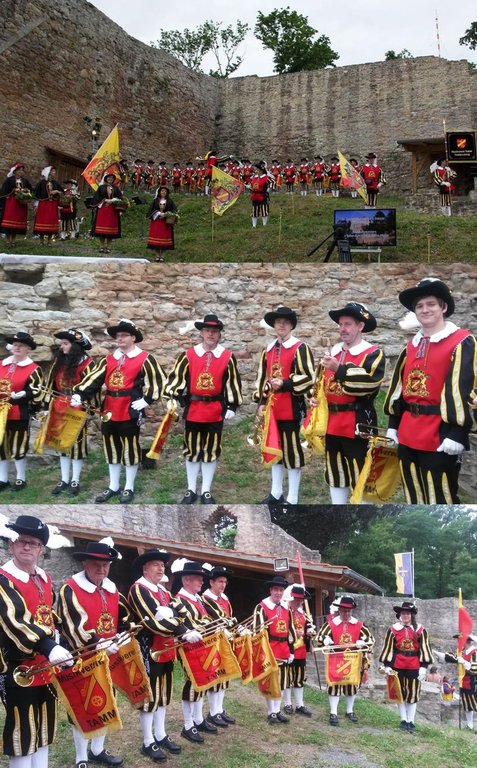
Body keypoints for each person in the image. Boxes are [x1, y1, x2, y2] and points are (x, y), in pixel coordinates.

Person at [384, 277, 476, 504]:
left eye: (431, 304)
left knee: (440, 497)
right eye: (419, 306)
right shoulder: (412, 345)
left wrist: (457, 433)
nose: (425, 310)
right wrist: (393, 425)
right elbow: (400, 387)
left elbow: (465, 388)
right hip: (408, 431)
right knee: (412, 492)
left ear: (443, 307)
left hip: (440, 434)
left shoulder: (462, 341)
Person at [0, 514, 73, 768]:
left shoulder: (44, 577)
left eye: (33, 542)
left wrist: (62, 644)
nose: (26, 546)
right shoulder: (3, 579)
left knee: (44, 727)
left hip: (46, 666)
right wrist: (50, 647)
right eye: (21, 541)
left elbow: (48, 614)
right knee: (23, 731)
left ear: (41, 548)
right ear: (12, 544)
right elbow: (15, 621)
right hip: (19, 669)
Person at [72, 319, 166, 504]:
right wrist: (80, 394)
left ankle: (129, 487)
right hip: (109, 409)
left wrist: (146, 400)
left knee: (130, 448)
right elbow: (94, 379)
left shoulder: (145, 358)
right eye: (118, 335)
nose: (120, 338)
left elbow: (159, 381)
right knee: (111, 447)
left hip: (130, 409)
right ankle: (113, 486)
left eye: (124, 335)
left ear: (133, 337)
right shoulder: (109, 359)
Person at [58, 540, 131, 768]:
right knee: (82, 706)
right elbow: (72, 626)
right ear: (85, 564)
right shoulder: (69, 589)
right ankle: (81, 756)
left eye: (105, 565)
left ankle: (98, 749)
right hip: (82, 657)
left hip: (108, 656)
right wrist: (98, 642)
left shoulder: (112, 588)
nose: (102, 569)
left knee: (106, 702)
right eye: (96, 564)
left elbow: (124, 617)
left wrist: (123, 635)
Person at [166, 313, 242, 505]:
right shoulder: (189, 355)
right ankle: (191, 489)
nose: (211, 334)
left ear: (219, 334)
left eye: (214, 331)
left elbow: (233, 382)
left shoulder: (227, 356)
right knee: (192, 450)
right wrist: (174, 398)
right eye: (207, 330)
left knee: (211, 450)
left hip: (215, 409)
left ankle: (206, 490)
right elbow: (176, 378)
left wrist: (232, 405)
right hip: (194, 409)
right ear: (201, 332)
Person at [128, 548, 195, 760]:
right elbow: (152, 621)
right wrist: (183, 631)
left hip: (166, 649)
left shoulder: (163, 592)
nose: (160, 568)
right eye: (156, 564)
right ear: (145, 568)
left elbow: (181, 611)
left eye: (162, 565)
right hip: (148, 650)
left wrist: (172, 616)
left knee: (163, 695)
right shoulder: (139, 589)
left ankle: (161, 734)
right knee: (150, 696)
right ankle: (148, 741)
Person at [315, 301, 385, 505]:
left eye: (347, 324)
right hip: (332, 423)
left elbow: (368, 384)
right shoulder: (334, 353)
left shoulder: (373, 353)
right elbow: (322, 382)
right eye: (340, 324)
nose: (342, 329)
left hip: (358, 423)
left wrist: (340, 369)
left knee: (361, 473)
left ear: (360, 326)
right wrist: (316, 397)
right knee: (335, 472)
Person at [254, 306, 314, 506]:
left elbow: (308, 377)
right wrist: (261, 403)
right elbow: (262, 378)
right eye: (278, 322)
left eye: (285, 322)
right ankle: (276, 493)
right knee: (275, 447)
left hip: (291, 407)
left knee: (292, 451)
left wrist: (286, 383)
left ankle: (293, 497)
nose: (281, 325)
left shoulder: (300, 348)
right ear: (274, 325)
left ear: (291, 326)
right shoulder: (269, 349)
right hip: (272, 409)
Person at [170, 559, 217, 744]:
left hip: (202, 645)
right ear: (186, 580)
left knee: (202, 682)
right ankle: (188, 725)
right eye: (198, 579)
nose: (202, 582)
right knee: (192, 684)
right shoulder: (179, 600)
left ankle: (198, 719)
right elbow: (185, 624)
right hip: (189, 647)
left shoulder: (197, 599)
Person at [44, 328, 95, 496]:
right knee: (61, 444)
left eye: (65, 344)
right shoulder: (59, 363)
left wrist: (87, 405)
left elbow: (93, 388)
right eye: (62, 343)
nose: (61, 347)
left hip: (77, 407)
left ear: (75, 347)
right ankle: (64, 479)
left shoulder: (88, 364)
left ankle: (75, 480)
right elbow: (51, 386)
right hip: (59, 405)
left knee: (76, 444)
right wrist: (47, 406)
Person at [315, 595, 374, 726]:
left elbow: (371, 640)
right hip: (335, 659)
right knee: (334, 686)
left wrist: (362, 643)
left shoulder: (359, 625)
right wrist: (325, 641)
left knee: (351, 686)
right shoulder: (330, 624)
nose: (346, 613)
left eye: (348, 611)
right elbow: (319, 639)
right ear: (339, 610)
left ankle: (349, 711)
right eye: (343, 610)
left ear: (352, 611)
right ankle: (333, 712)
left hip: (353, 660)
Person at [379, 600, 433, 732]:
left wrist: (423, 667)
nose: (405, 615)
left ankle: (411, 721)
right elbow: (388, 648)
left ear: (412, 615)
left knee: (413, 693)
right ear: (399, 615)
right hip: (397, 665)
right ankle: (403, 720)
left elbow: (425, 648)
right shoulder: (392, 630)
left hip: (414, 665)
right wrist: (387, 665)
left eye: (407, 613)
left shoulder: (420, 630)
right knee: (400, 692)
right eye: (403, 613)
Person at [0, 331, 42, 492]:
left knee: (18, 445)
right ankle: (3, 479)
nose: (18, 348)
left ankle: (20, 479)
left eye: (22, 345)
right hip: (0, 411)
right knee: (1, 445)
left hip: (19, 411)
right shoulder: (1, 364)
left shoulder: (33, 369)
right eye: (16, 345)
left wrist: (25, 393)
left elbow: (37, 392)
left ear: (28, 349)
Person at [253, 575, 297, 724]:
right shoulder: (261, 607)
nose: (278, 592)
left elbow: (291, 631)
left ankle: (277, 710)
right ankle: (271, 712)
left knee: (282, 682)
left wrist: (291, 650)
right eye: (276, 590)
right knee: (270, 681)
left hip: (284, 648)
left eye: (281, 590)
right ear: (271, 590)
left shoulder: (287, 608)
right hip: (269, 648)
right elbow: (257, 631)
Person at [202, 564, 237, 727]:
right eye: (220, 581)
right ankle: (213, 712)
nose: (223, 585)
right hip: (213, 643)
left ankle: (219, 709)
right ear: (211, 582)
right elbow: (216, 620)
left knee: (225, 675)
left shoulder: (225, 598)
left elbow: (229, 618)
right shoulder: (205, 598)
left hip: (225, 641)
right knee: (216, 676)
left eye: (225, 582)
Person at [282, 584, 315, 717]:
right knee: (288, 678)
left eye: (301, 600)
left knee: (299, 678)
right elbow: (281, 630)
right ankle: (287, 703)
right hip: (288, 650)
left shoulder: (304, 615)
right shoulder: (284, 612)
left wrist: (310, 632)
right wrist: (296, 632)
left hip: (300, 651)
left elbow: (308, 630)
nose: (299, 602)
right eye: (296, 599)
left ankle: (300, 704)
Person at [435, 634, 477, 729]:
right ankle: (470, 726)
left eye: (459, 641)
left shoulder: (475, 652)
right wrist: (442, 655)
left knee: (475, 703)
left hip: (474, 683)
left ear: (465, 641)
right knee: (467, 705)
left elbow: (475, 668)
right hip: (465, 683)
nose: (458, 643)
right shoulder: (462, 652)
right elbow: (454, 658)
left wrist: (465, 663)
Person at [90, 171, 124, 253]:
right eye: (108, 178)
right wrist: (105, 200)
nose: (110, 179)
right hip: (103, 210)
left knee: (111, 230)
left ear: (113, 180)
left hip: (112, 211)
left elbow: (121, 198)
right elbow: (96, 198)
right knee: (101, 230)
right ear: (106, 179)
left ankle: (109, 246)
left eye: (112, 178)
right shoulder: (101, 188)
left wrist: (113, 200)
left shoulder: (116, 188)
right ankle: (101, 246)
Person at [0, 162, 32, 244]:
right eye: (19, 170)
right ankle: (8, 239)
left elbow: (30, 190)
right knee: (9, 221)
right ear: (15, 171)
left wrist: (25, 191)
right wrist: (13, 190)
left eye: (22, 170)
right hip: (11, 202)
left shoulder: (25, 181)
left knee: (16, 222)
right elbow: (4, 191)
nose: (21, 171)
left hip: (20, 204)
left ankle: (13, 239)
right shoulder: (9, 180)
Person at [33, 166, 64, 245]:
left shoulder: (55, 183)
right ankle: (41, 241)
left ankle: (49, 241)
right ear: (49, 173)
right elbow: (37, 194)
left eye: (54, 171)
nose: (54, 173)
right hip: (44, 204)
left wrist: (57, 192)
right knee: (42, 221)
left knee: (51, 222)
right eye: (53, 171)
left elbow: (62, 192)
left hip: (52, 205)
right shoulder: (41, 183)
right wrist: (36, 205)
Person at [146, 186, 178, 262]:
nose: (163, 192)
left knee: (165, 240)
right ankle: (157, 255)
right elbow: (150, 210)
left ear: (167, 193)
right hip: (156, 222)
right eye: (162, 191)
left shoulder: (170, 201)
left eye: (165, 191)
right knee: (156, 240)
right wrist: (159, 213)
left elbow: (174, 210)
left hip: (166, 223)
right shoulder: (155, 201)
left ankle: (163, 256)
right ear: (159, 192)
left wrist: (166, 214)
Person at [250, 161, 270, 227]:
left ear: (260, 170)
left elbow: (272, 182)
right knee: (254, 211)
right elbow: (252, 185)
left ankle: (264, 225)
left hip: (262, 196)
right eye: (255, 169)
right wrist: (250, 187)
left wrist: (268, 188)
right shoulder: (254, 177)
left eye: (256, 169)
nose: (255, 171)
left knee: (264, 210)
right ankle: (254, 225)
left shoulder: (265, 177)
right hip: (254, 196)